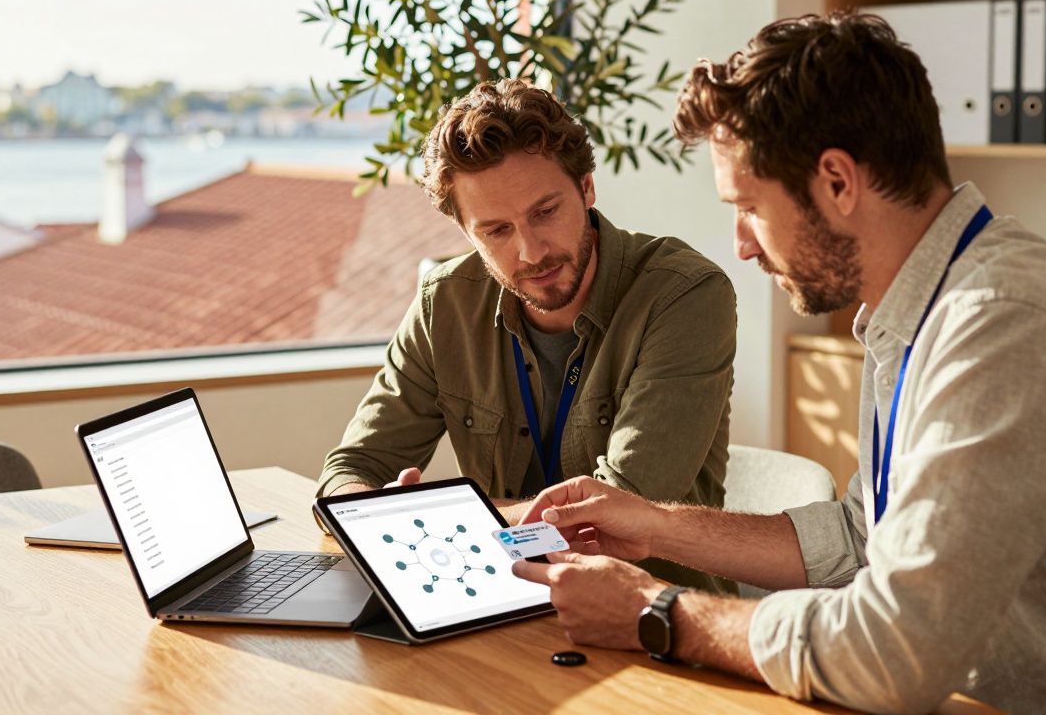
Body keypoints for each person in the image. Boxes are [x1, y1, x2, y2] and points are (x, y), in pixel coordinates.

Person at [510, 12, 1046, 714]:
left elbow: (891, 653)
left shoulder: (1004, 325)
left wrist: (658, 612)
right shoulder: (915, 308)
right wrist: (655, 525)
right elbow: (860, 537)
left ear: (837, 181)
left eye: (748, 208)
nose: (741, 245)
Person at [315, 78, 738, 593]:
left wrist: (433, 521)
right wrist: (369, 508)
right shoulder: (444, 303)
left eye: (545, 212)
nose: (531, 251)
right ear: (467, 232)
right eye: (496, 231)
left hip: (654, 620)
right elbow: (350, 469)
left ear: (586, 187)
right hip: (494, 605)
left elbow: (614, 516)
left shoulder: (685, 295)